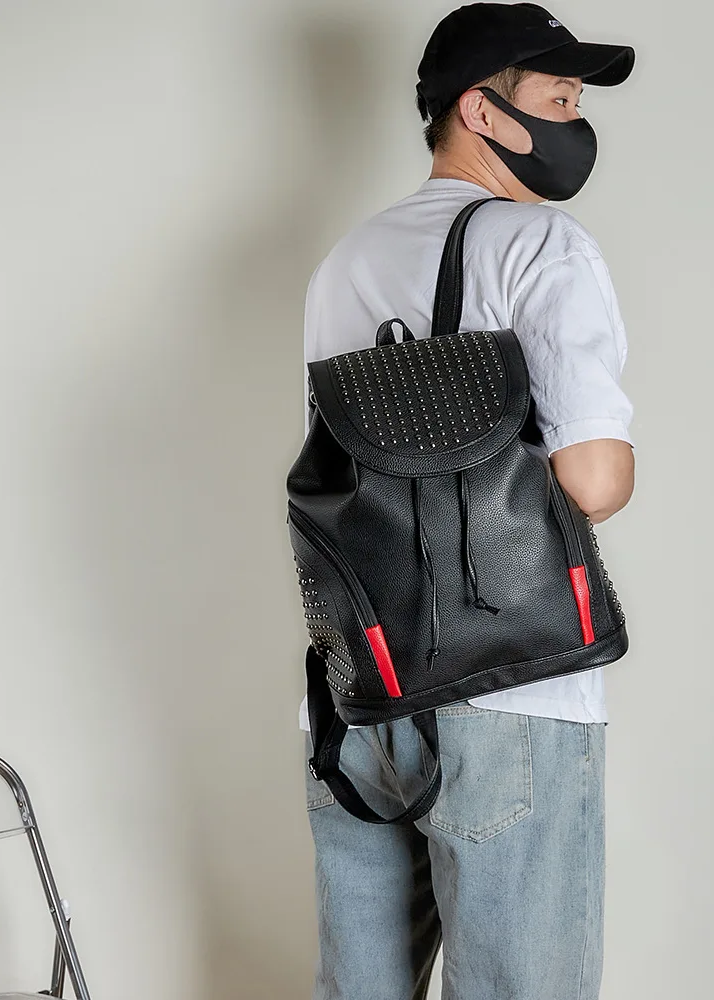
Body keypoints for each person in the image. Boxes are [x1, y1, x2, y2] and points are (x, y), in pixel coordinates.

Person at [297, 4, 636, 997]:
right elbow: (594, 479)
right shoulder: (541, 245)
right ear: (482, 112)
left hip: (362, 690)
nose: (577, 121)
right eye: (560, 100)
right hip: (510, 689)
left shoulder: (345, 262)